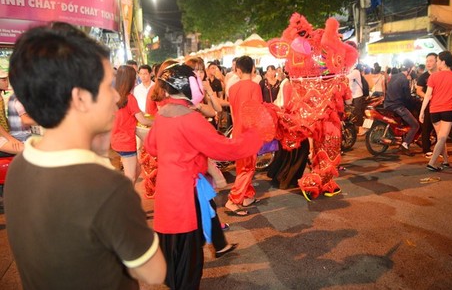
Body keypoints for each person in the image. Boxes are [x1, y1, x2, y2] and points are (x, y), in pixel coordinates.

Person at [5, 22, 166, 289]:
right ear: (80, 98)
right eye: (108, 86)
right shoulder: (107, 188)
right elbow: (155, 273)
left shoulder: (21, 165)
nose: (116, 96)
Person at [144, 63, 262, 289]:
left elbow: (151, 147)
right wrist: (255, 137)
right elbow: (225, 149)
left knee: (172, 251)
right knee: (189, 260)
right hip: (185, 194)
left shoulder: (163, 116)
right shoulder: (190, 118)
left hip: (166, 191)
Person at [225, 55, 263, 215]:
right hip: (249, 133)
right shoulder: (255, 87)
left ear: (238, 71)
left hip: (238, 131)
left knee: (242, 167)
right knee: (247, 168)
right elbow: (256, 112)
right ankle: (233, 200)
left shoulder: (232, 88)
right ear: (253, 69)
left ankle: (247, 195)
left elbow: (233, 113)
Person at [419, 51, 452, 171]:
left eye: (438, 60)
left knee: (441, 137)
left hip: (433, 110)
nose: (437, 62)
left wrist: (422, 111)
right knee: (442, 138)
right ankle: (432, 163)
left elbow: (427, 95)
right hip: (447, 110)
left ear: (444, 62)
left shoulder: (433, 76)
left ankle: (445, 160)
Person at [111, 65, 153, 183]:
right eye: (134, 77)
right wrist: (158, 122)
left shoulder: (115, 96)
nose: (136, 80)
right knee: (131, 176)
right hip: (126, 141)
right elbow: (143, 120)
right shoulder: (130, 98)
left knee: (137, 169)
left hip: (116, 139)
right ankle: (126, 199)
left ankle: (128, 196)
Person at [384, 65, 419, 156]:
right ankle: (405, 144)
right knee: (415, 125)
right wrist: (415, 101)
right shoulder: (404, 80)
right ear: (409, 69)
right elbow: (407, 97)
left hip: (387, 104)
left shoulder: (394, 76)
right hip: (397, 106)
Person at [416, 53, 438, 158]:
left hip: (440, 105)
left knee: (440, 130)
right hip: (427, 105)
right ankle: (426, 149)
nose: (428, 63)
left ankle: (440, 150)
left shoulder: (441, 74)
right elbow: (418, 91)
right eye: (427, 61)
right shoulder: (423, 77)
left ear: (437, 61)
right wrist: (428, 97)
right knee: (426, 128)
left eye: (431, 61)